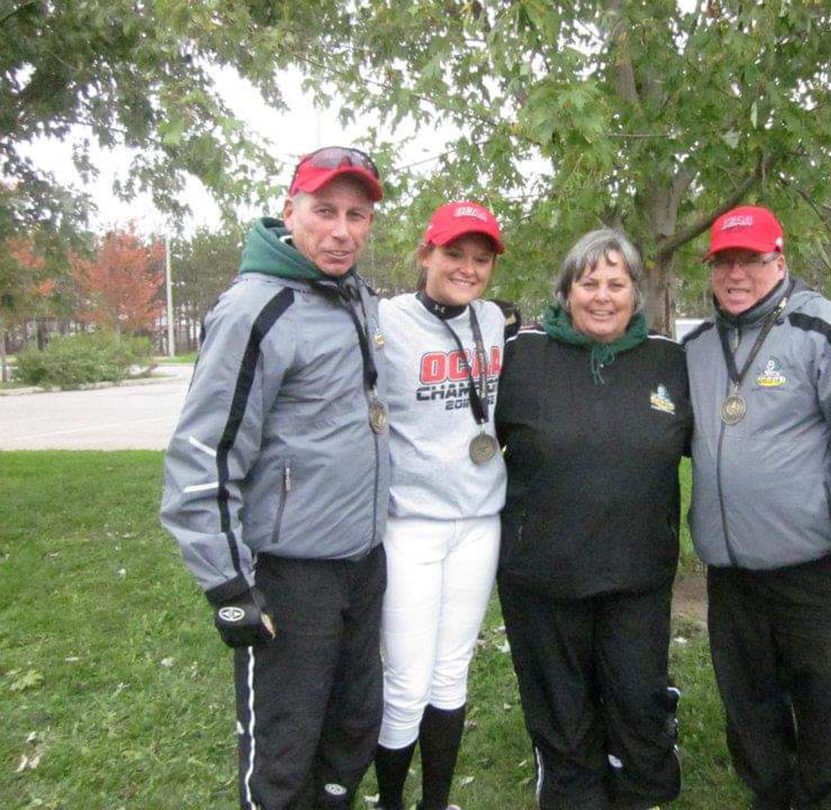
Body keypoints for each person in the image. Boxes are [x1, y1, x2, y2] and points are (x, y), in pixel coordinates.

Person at [160, 146, 390, 810]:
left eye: (356, 214)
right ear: (289, 211)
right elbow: (203, 455)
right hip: (291, 576)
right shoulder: (254, 309)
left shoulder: (359, 300)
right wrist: (227, 585)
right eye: (323, 211)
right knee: (284, 754)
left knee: (350, 734)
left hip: (363, 562)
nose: (341, 231)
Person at [683, 205, 831, 810]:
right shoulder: (699, 347)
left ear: (779, 260)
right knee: (748, 695)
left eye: (752, 260)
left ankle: (828, 794)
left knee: (826, 693)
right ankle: (770, 791)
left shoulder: (824, 330)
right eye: (724, 262)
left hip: (815, 563)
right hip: (731, 571)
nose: (737, 274)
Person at [495, 228, 692, 810]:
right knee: (560, 700)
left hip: (637, 574)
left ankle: (642, 785)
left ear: (637, 293)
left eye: (616, 283)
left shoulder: (668, 361)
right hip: (543, 574)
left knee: (636, 694)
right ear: (566, 291)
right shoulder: (522, 356)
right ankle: (570, 789)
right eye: (588, 283)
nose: (602, 296)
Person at [372, 201, 508, 810]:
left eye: (481, 259)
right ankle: (392, 802)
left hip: (480, 520)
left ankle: (436, 801)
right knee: (405, 681)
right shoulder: (384, 321)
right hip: (412, 524)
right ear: (426, 253)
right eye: (454, 253)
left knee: (452, 670)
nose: (468, 268)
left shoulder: (495, 322)